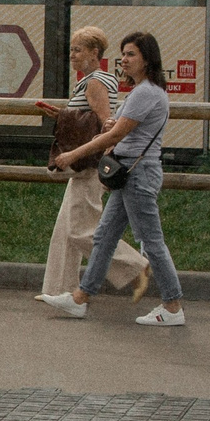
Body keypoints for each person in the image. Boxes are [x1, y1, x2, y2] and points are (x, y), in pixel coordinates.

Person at [40, 31, 186, 325]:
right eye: (123, 54)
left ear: (147, 59)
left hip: (137, 173)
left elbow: (116, 135)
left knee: (151, 242)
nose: (124, 60)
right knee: (105, 236)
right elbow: (118, 128)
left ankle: (172, 307)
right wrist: (110, 125)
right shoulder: (143, 91)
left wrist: (72, 154)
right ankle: (80, 298)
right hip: (128, 173)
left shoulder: (145, 92)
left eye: (131, 54)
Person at [35, 27, 144, 301]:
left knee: (79, 230)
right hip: (86, 164)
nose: (72, 55)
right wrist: (61, 114)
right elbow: (88, 118)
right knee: (65, 229)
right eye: (71, 50)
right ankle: (59, 290)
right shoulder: (101, 79)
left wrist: (90, 151)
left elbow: (106, 123)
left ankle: (135, 266)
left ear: (94, 53)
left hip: (89, 164)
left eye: (78, 50)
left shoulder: (94, 82)